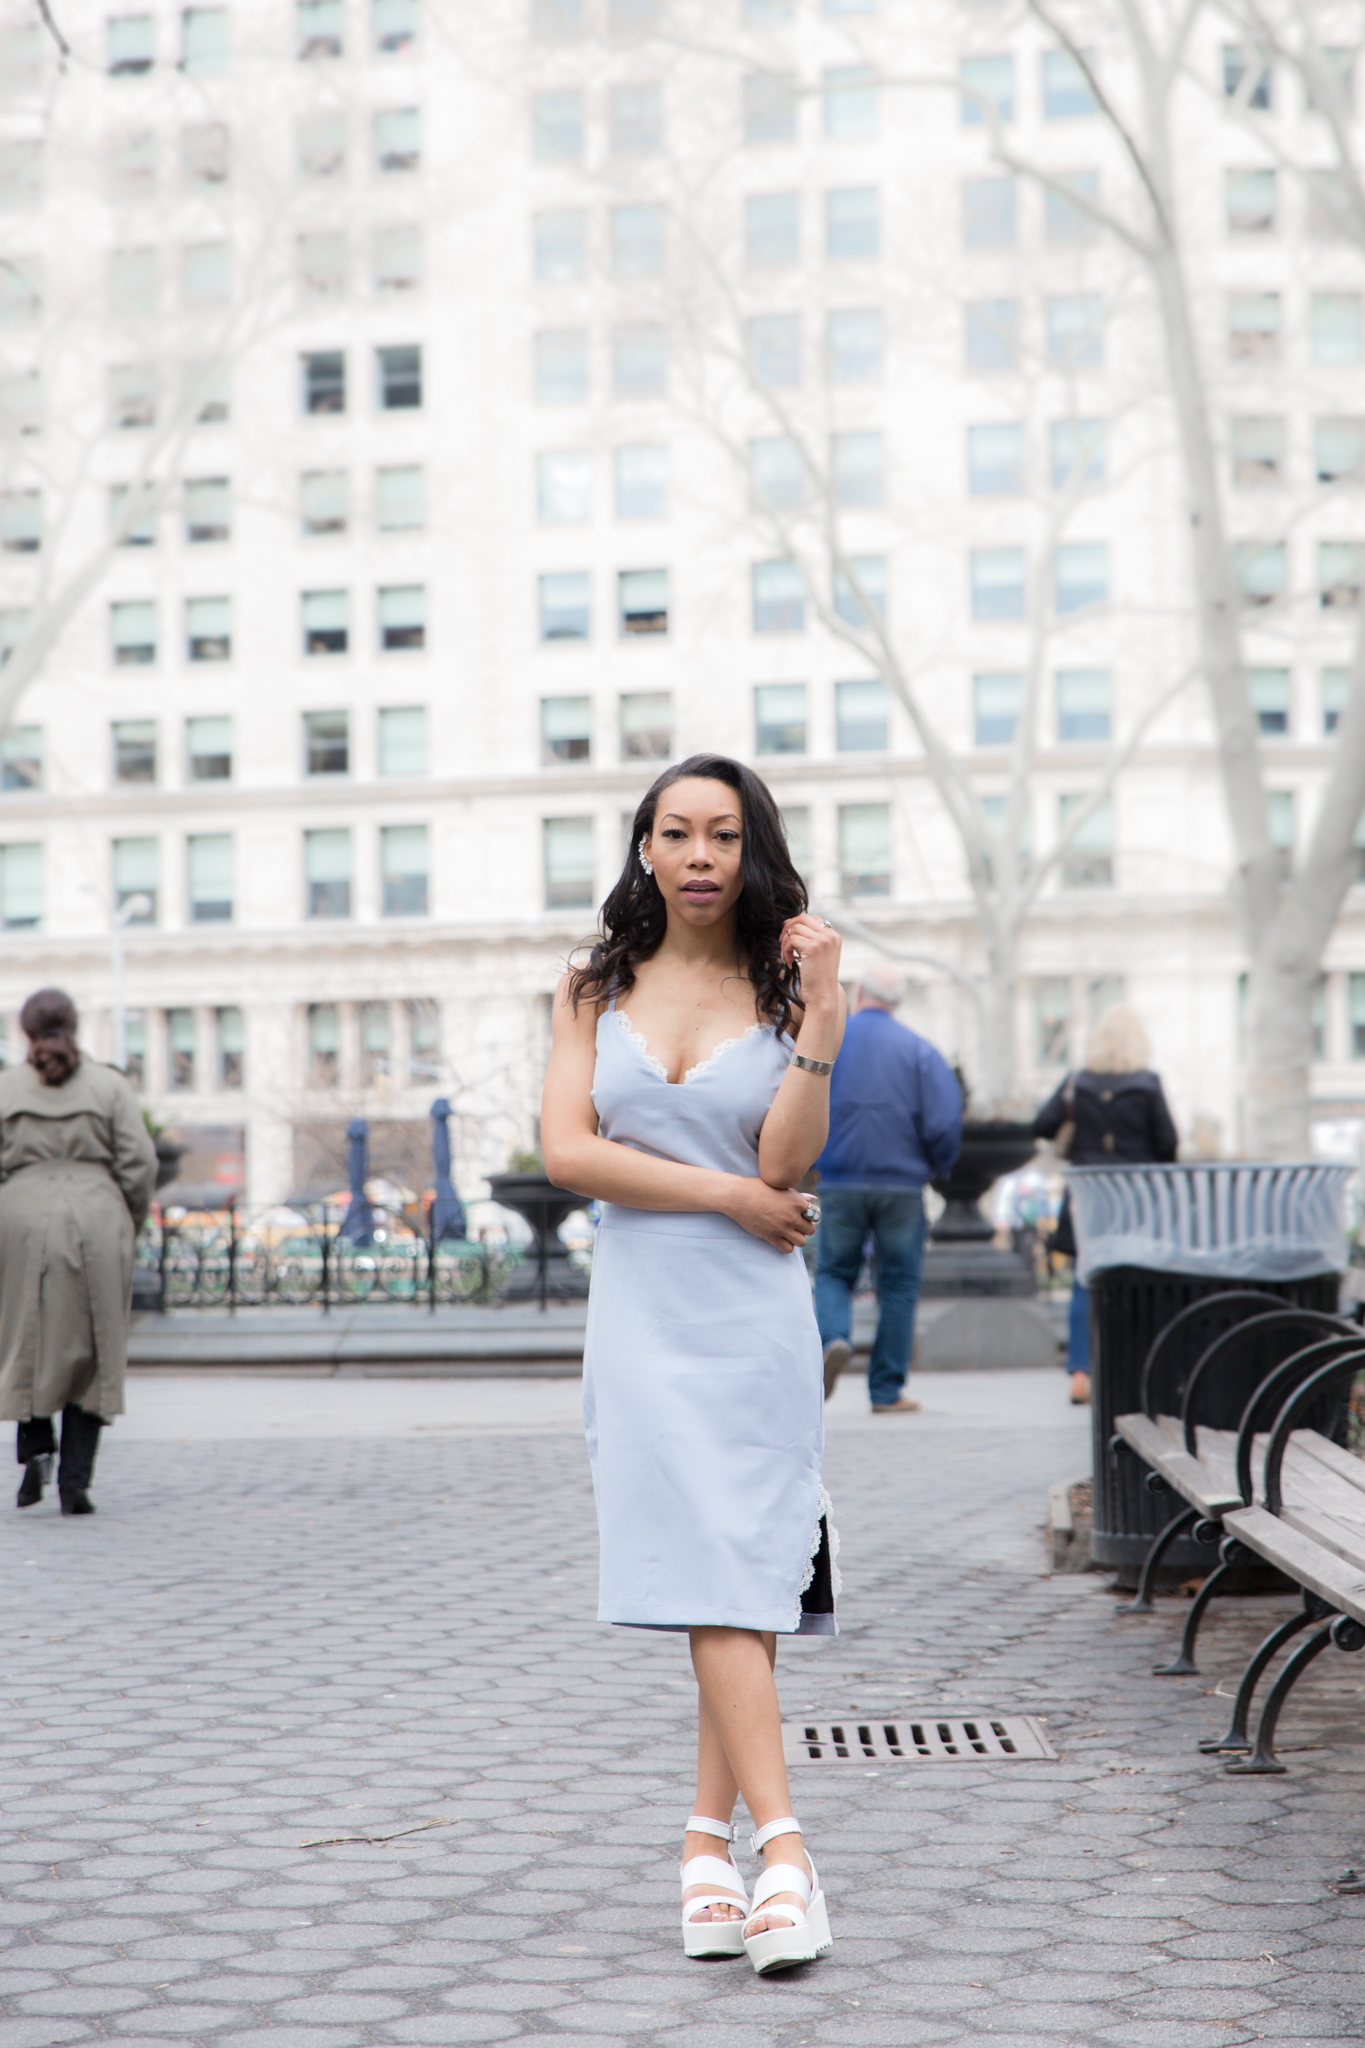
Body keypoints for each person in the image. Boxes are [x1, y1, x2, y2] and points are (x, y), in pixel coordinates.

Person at [542, 753, 845, 1976]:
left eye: (725, 833)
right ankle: (774, 1850)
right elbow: (569, 1152)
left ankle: (723, 1853)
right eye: (679, 832)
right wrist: (722, 1192)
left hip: (754, 1323)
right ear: (647, 850)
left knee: (742, 1569)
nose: (703, 854)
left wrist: (823, 1021)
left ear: (752, 847)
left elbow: (787, 1162)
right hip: (644, 1320)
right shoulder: (591, 986)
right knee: (714, 1568)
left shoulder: (786, 989)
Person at [0, 988, 157, 1512]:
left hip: (19, 1215)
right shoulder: (109, 1086)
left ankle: (35, 1449)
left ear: (25, 1031)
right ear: (74, 1026)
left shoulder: (7, 1088)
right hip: (96, 1213)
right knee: (93, 1344)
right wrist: (125, 1218)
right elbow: (139, 1162)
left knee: (23, 1336)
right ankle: (75, 1482)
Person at [813, 964, 962, 1413]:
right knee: (898, 1286)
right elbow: (943, 1121)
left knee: (833, 1272)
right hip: (902, 1185)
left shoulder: (830, 1041)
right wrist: (940, 1166)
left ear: (858, 993)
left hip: (840, 1178)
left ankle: (833, 1339)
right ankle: (886, 1391)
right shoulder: (919, 1050)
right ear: (895, 1003)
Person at [1033, 1006, 1178, 1405]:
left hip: (1088, 1195)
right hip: (1136, 1195)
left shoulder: (1076, 1083)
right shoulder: (1148, 1084)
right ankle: (1137, 1370)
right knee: (1137, 1279)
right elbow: (1167, 1143)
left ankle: (1081, 1373)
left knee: (1084, 1278)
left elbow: (1041, 1125)